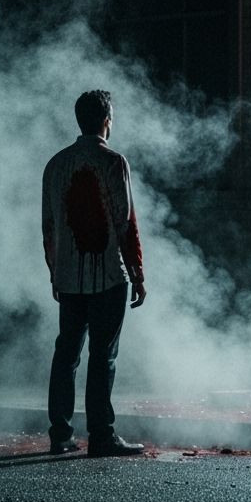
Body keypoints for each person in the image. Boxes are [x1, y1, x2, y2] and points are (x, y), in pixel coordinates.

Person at [43, 89, 148, 457]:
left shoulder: (56, 164)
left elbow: (49, 226)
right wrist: (137, 273)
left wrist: (55, 272)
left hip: (69, 278)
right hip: (108, 277)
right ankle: (101, 435)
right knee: (103, 356)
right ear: (106, 120)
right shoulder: (114, 162)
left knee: (66, 354)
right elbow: (125, 222)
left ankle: (60, 435)